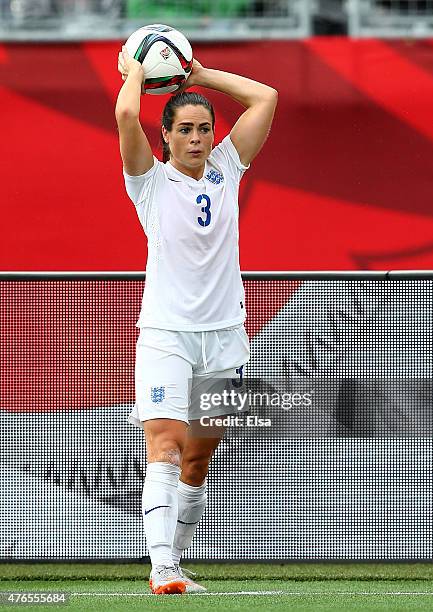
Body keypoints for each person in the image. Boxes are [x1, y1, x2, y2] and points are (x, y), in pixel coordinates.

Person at [116, 45, 277, 595]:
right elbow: (122, 116)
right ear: (166, 135)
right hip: (166, 332)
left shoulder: (228, 168)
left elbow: (266, 97)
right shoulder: (150, 183)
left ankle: (177, 565)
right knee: (163, 441)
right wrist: (137, 72)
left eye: (204, 128)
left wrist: (202, 75)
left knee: (198, 458)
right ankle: (161, 568)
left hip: (227, 335)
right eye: (184, 129)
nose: (196, 138)